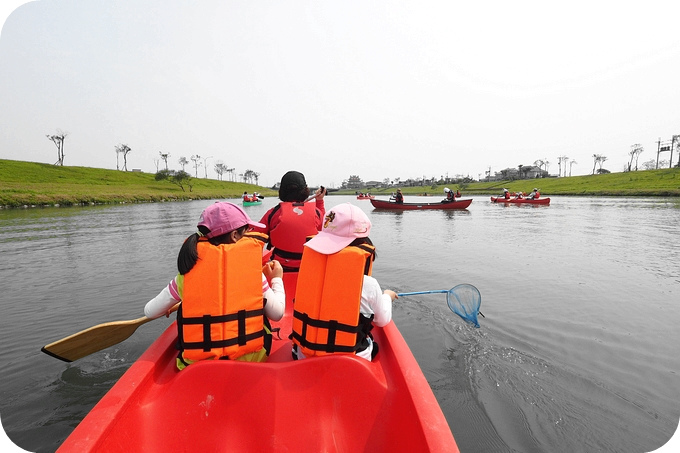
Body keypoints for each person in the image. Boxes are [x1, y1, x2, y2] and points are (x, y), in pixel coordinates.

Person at [144, 202, 285, 369]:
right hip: (249, 361)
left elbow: (150, 311)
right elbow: (277, 314)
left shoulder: (185, 277)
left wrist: (177, 301)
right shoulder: (254, 273)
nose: (249, 233)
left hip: (198, 367)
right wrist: (277, 279)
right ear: (234, 235)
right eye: (246, 230)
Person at [291, 203, 398, 361]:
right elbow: (381, 320)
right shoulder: (368, 284)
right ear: (364, 244)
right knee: (373, 344)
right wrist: (387, 296)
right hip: (353, 361)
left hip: (303, 356)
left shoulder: (310, 275)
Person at [251, 170, 326, 306]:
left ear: (282, 191)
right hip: (308, 270)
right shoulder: (316, 212)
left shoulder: (273, 213)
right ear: (305, 191)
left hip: (278, 271)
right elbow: (323, 228)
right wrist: (319, 201)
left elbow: (254, 239)